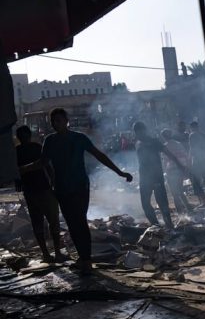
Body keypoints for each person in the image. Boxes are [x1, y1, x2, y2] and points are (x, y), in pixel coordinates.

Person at [21, 108, 132, 274]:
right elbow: (42, 162)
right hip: (62, 189)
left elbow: (99, 155)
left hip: (80, 187)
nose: (56, 123)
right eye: (53, 121)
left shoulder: (79, 138)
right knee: (73, 224)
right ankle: (83, 258)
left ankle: (86, 259)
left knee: (79, 221)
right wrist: (23, 169)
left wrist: (119, 172)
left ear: (67, 120)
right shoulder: (50, 141)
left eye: (59, 120)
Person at [14, 125, 66, 263]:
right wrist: (54, 183)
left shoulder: (18, 151)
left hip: (34, 190)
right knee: (50, 221)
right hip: (40, 189)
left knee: (41, 222)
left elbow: (15, 171)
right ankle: (54, 253)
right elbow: (48, 166)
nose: (24, 138)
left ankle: (47, 254)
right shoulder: (36, 147)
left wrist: (18, 181)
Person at [133, 122, 187, 228]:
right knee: (145, 203)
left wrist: (180, 165)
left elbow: (168, 153)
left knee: (162, 202)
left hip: (156, 177)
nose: (138, 134)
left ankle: (169, 225)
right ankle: (155, 226)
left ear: (144, 130)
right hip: (144, 178)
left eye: (140, 131)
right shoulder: (138, 143)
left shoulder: (154, 142)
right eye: (136, 131)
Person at [160, 128, 192, 214]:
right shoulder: (178, 144)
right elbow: (185, 156)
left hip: (171, 171)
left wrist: (165, 172)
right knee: (180, 190)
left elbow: (164, 162)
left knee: (174, 193)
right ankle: (188, 208)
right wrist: (186, 167)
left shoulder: (164, 146)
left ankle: (180, 212)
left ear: (163, 137)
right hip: (180, 169)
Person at [188, 121, 205, 205]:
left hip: (197, 162)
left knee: (196, 182)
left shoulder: (192, 135)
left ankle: (204, 201)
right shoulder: (204, 135)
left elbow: (192, 149)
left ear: (192, 128)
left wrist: (190, 161)